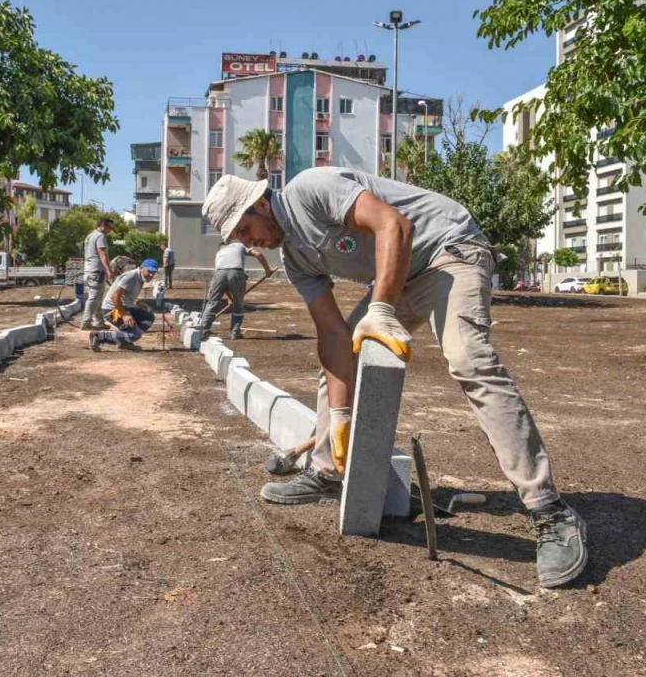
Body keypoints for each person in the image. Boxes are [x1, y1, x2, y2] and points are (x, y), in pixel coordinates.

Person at [201, 169, 589, 589]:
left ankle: (550, 511)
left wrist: (381, 309)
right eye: (238, 238)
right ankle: (329, 470)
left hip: (447, 249)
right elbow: (331, 335)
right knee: (340, 355)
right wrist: (342, 413)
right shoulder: (295, 259)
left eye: (245, 229)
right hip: (403, 272)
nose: (248, 241)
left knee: (469, 361)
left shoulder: (311, 189)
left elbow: (394, 224)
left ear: (261, 204)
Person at [196, 240, 272, 340]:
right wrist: (267, 270)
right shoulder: (239, 245)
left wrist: (231, 297)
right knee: (238, 304)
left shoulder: (219, 253)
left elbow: (224, 284)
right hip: (236, 273)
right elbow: (258, 254)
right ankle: (234, 333)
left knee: (212, 303)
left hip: (219, 274)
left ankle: (203, 331)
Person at [89, 259, 158, 351]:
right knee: (135, 334)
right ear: (141, 268)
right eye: (149, 271)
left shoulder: (140, 277)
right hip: (112, 310)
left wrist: (139, 303)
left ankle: (125, 342)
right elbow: (115, 297)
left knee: (148, 317)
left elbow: (127, 294)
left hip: (123, 307)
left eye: (153, 273)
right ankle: (98, 336)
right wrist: (125, 315)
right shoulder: (131, 276)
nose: (151, 275)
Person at [80, 218, 116, 330]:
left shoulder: (89, 236)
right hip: (97, 272)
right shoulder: (100, 236)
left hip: (89, 271)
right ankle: (85, 322)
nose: (110, 230)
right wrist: (109, 270)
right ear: (103, 226)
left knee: (97, 298)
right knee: (94, 297)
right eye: (109, 227)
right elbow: (102, 254)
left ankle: (99, 322)